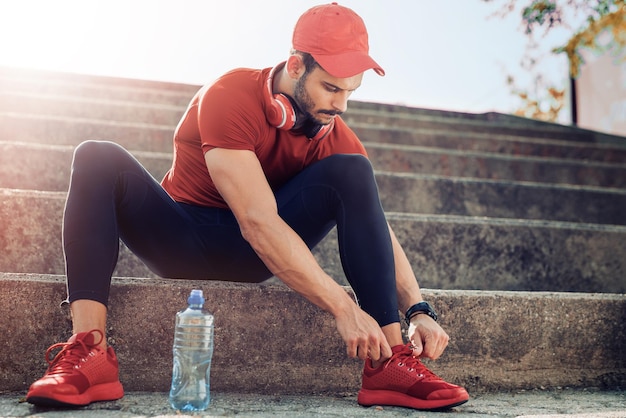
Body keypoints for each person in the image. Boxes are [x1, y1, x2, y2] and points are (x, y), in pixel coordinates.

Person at [25, 2, 469, 412]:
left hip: (253, 258)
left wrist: (418, 309)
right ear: (295, 66)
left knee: (353, 172)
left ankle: (389, 362)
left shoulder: (334, 135)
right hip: (181, 237)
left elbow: (377, 229)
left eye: (350, 91)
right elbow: (257, 222)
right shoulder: (231, 94)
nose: (341, 104)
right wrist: (343, 307)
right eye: (331, 88)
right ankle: (90, 350)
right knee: (97, 155)